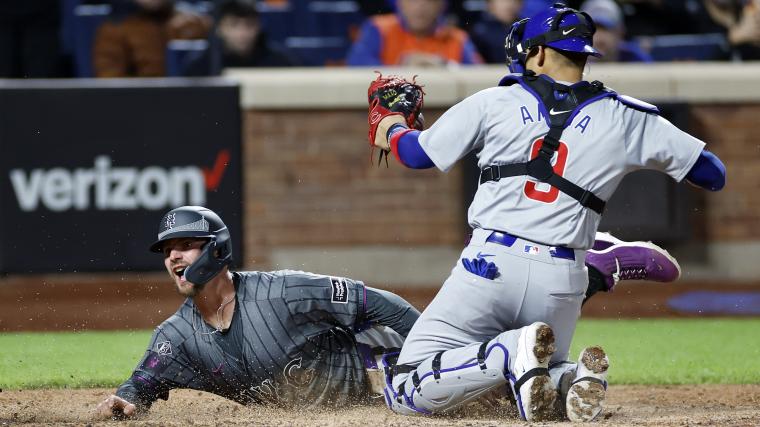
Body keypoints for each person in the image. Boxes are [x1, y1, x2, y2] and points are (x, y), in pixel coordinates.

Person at [366, 3, 726, 422]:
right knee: (519, 384)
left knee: (407, 384)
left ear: (537, 54)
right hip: (562, 282)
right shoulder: (629, 116)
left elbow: (414, 154)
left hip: (490, 268)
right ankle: (568, 378)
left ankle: (510, 351)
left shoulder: (494, 101)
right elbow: (712, 174)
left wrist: (391, 124)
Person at [95, 206, 684, 419]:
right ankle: (572, 378)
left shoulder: (285, 291)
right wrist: (124, 402)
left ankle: (595, 270)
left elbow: (377, 304)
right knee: (515, 393)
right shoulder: (177, 337)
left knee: (485, 368)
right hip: (381, 401)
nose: (173, 257)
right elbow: (140, 385)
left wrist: (428, 340)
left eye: (185, 246)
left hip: (394, 371)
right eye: (166, 251)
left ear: (216, 250)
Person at [92, 0, 211, 77]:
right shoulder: (113, 29)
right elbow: (110, 86)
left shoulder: (190, 22)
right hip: (140, 107)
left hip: (189, 102)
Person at [346, 0, 483, 66]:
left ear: (442, 6)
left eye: (429, 1)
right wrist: (401, 66)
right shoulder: (378, 28)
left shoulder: (457, 38)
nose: (420, 6)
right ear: (399, 3)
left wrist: (444, 65)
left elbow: (477, 79)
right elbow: (357, 69)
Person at [185, 0, 298, 76]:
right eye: (234, 25)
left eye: (249, 25)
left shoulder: (281, 63)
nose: (242, 33)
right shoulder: (200, 66)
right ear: (219, 28)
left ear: (259, 26)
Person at [580, 0, 652, 62]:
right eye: (593, 30)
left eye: (606, 30)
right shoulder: (573, 60)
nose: (600, 37)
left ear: (620, 33)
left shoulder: (635, 57)